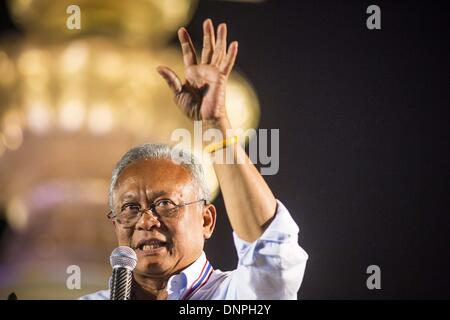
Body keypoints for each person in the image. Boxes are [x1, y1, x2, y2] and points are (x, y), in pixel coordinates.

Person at [80, 19, 308, 300]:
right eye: (129, 207)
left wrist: (215, 122)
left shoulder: (236, 295)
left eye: (165, 204)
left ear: (206, 220)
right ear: (115, 224)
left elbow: (270, 252)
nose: (146, 221)